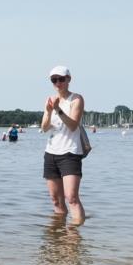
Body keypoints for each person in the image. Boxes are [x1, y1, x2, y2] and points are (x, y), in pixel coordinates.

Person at [41, 66, 86, 225]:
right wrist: (48, 110)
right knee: (55, 200)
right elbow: (44, 128)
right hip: (51, 152)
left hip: (70, 153)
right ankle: (58, 235)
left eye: (61, 79)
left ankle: (74, 237)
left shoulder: (76, 99)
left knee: (71, 198)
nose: (58, 83)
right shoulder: (50, 100)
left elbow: (73, 125)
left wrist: (58, 109)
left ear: (68, 79)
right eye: (54, 80)